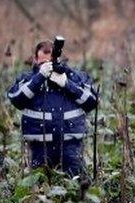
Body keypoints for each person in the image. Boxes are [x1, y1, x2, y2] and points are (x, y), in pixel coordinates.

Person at [6, 40, 98, 178]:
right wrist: (39, 77)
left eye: (50, 62)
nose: (48, 66)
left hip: (71, 148)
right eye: (43, 63)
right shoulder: (28, 78)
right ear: (36, 60)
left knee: (76, 187)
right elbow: (16, 99)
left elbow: (91, 102)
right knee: (38, 189)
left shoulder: (74, 76)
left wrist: (67, 84)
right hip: (39, 149)